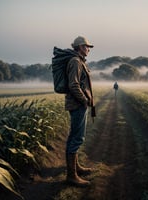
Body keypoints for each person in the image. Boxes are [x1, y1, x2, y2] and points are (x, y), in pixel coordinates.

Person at [65, 36, 94, 187]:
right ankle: (72, 176)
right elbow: (73, 85)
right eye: (87, 46)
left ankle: (76, 168)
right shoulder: (76, 61)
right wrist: (84, 100)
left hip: (77, 104)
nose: (88, 49)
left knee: (75, 136)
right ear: (80, 47)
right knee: (77, 138)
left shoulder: (79, 60)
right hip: (77, 105)